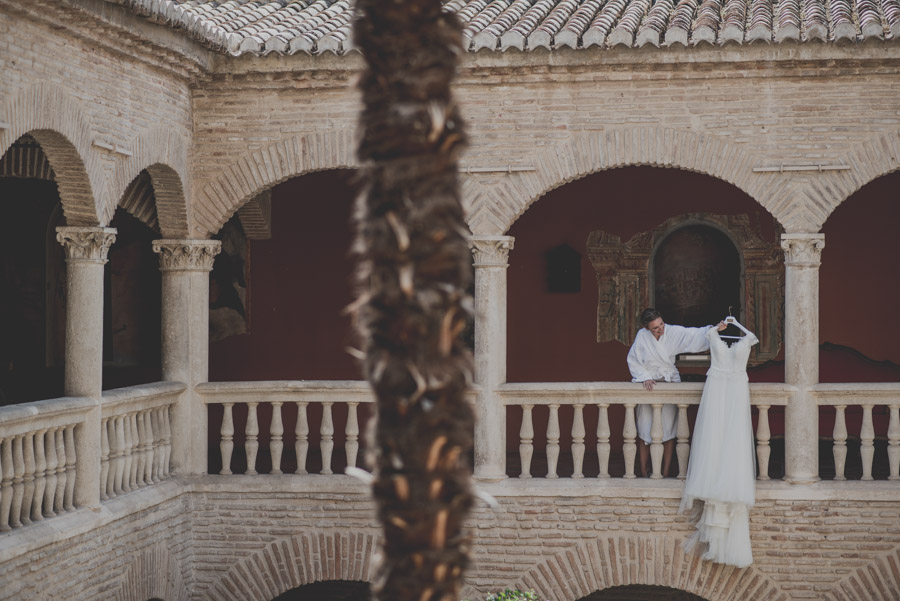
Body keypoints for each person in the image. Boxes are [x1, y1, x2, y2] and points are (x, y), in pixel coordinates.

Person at [680, 318, 758, 567]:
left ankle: (725, 529)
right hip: (717, 397)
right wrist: (717, 329)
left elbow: (749, 338)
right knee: (715, 445)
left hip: (734, 397)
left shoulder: (747, 339)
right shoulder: (713, 335)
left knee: (732, 447)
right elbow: (706, 335)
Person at [626, 308, 725, 477]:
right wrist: (644, 377)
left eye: (661, 324)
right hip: (648, 384)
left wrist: (715, 329)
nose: (661, 329)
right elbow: (633, 359)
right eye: (655, 328)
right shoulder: (642, 337)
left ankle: (664, 472)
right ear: (646, 328)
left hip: (669, 382)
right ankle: (643, 471)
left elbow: (692, 335)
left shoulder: (672, 332)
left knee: (669, 430)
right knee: (644, 430)